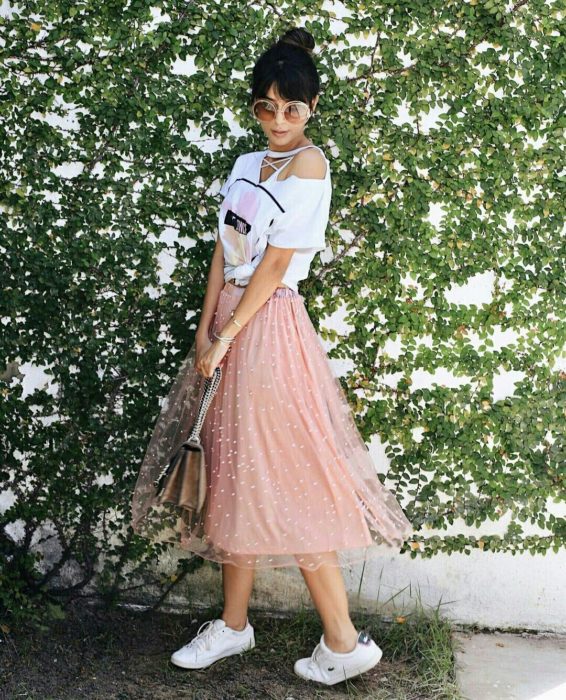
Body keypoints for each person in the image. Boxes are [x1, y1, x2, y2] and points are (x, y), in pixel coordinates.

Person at [130, 26, 413, 686]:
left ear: (312, 108)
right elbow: (224, 252)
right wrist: (205, 328)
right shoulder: (245, 166)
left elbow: (276, 262)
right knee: (231, 463)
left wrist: (228, 337)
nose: (279, 121)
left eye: (292, 108)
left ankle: (342, 640)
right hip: (230, 321)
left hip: (268, 325)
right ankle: (233, 626)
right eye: (267, 107)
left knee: (284, 471)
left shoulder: (310, 166)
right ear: (255, 107)